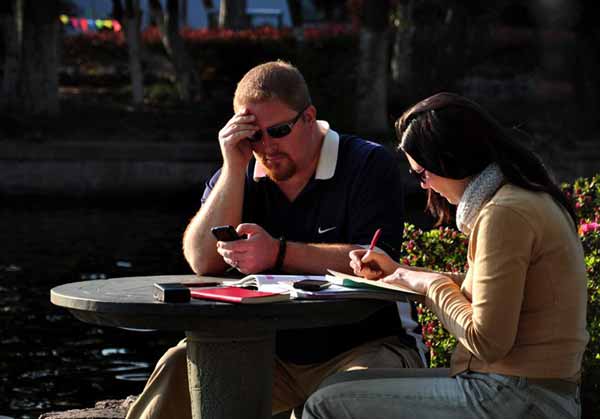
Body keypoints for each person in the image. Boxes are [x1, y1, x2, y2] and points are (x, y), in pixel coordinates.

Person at [125, 61, 425, 419]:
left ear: (309, 116)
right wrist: (234, 167)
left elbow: (377, 261)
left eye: (279, 130)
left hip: (367, 346)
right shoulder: (239, 172)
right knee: (179, 366)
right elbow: (201, 260)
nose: (267, 146)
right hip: (267, 353)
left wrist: (278, 252)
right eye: (253, 135)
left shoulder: (367, 163)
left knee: (344, 397)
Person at [302, 92, 589, 419]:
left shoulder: (505, 213)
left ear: (449, 160)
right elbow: (492, 296)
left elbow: (487, 340)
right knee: (334, 387)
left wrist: (430, 283)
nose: (423, 186)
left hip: (518, 395)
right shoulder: (523, 199)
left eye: (421, 173)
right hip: (531, 390)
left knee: (327, 402)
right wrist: (400, 272)